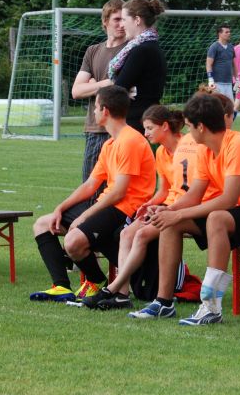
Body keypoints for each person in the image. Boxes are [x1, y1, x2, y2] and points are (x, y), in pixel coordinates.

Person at [149, 92, 240, 326]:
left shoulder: (237, 144)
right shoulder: (205, 149)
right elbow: (194, 194)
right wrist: (169, 210)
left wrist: (178, 213)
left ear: (201, 127)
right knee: (171, 223)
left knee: (216, 218)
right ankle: (163, 302)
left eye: (189, 126)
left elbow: (228, 200)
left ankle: (211, 306)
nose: (188, 133)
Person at [29, 86, 156, 302]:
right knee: (43, 224)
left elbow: (119, 192)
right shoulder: (110, 143)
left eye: (96, 107)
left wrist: (85, 216)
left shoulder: (130, 141)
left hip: (126, 208)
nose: (94, 112)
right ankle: (61, 287)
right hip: (108, 204)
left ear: (105, 111)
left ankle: (96, 281)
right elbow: (90, 184)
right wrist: (60, 208)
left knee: (72, 241)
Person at [84, 104, 211, 312]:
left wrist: (167, 208)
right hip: (168, 205)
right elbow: (165, 190)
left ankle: (113, 288)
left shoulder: (189, 146)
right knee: (126, 233)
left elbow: (194, 191)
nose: (146, 133)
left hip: (184, 208)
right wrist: (150, 204)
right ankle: (122, 294)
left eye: (150, 128)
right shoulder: (161, 152)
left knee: (142, 235)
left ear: (165, 127)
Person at [70, 0, 127, 204]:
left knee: (119, 193)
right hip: (95, 130)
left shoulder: (131, 50)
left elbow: (123, 88)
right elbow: (76, 91)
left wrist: (94, 85)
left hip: (121, 131)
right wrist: (105, 83)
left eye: (125, 19)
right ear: (105, 21)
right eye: (117, 19)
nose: (122, 24)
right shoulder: (93, 51)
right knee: (90, 191)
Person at [108, 0, 168, 133]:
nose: (122, 25)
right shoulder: (150, 46)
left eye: (124, 19)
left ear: (137, 20)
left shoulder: (141, 50)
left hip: (137, 121)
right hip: (144, 117)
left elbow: (119, 89)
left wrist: (119, 88)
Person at [205, 24, 236, 101]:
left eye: (229, 32)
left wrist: (237, 80)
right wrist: (210, 80)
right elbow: (208, 64)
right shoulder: (214, 47)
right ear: (220, 34)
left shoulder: (231, 47)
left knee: (230, 106)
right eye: (226, 32)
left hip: (229, 83)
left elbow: (233, 64)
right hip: (217, 83)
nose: (229, 33)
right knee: (218, 106)